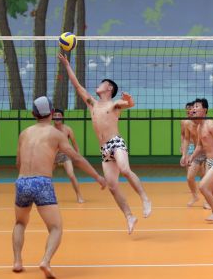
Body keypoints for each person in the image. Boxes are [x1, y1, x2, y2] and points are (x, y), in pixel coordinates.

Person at [12, 96, 107, 279]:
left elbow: (18, 163)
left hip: (22, 181)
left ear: (33, 114)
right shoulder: (56, 134)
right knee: (56, 227)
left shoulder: (24, 133)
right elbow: (77, 158)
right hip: (42, 182)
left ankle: (17, 262)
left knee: (20, 223)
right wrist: (98, 177)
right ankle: (45, 261)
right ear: (52, 113)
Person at [58, 53, 152, 234]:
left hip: (116, 143)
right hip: (104, 150)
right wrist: (67, 65)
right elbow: (77, 85)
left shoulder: (114, 104)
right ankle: (129, 216)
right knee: (112, 186)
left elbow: (129, 104)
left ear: (108, 88)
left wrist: (129, 99)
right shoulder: (92, 104)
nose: (98, 85)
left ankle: (145, 198)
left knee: (125, 169)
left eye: (102, 83)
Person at [180, 101, 210, 209]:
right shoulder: (187, 123)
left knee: (206, 179)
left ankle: (208, 201)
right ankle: (195, 196)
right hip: (197, 152)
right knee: (189, 177)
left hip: (209, 152)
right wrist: (184, 154)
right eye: (193, 108)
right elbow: (186, 139)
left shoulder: (207, 123)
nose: (193, 110)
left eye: (196, 108)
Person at [52, 109, 85, 203]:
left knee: (71, 174)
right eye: (55, 115)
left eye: (59, 115)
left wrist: (78, 156)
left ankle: (79, 195)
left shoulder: (68, 129)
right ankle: (46, 197)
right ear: (52, 117)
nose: (57, 116)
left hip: (65, 155)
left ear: (62, 117)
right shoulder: (50, 129)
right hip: (53, 155)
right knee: (46, 176)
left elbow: (74, 143)